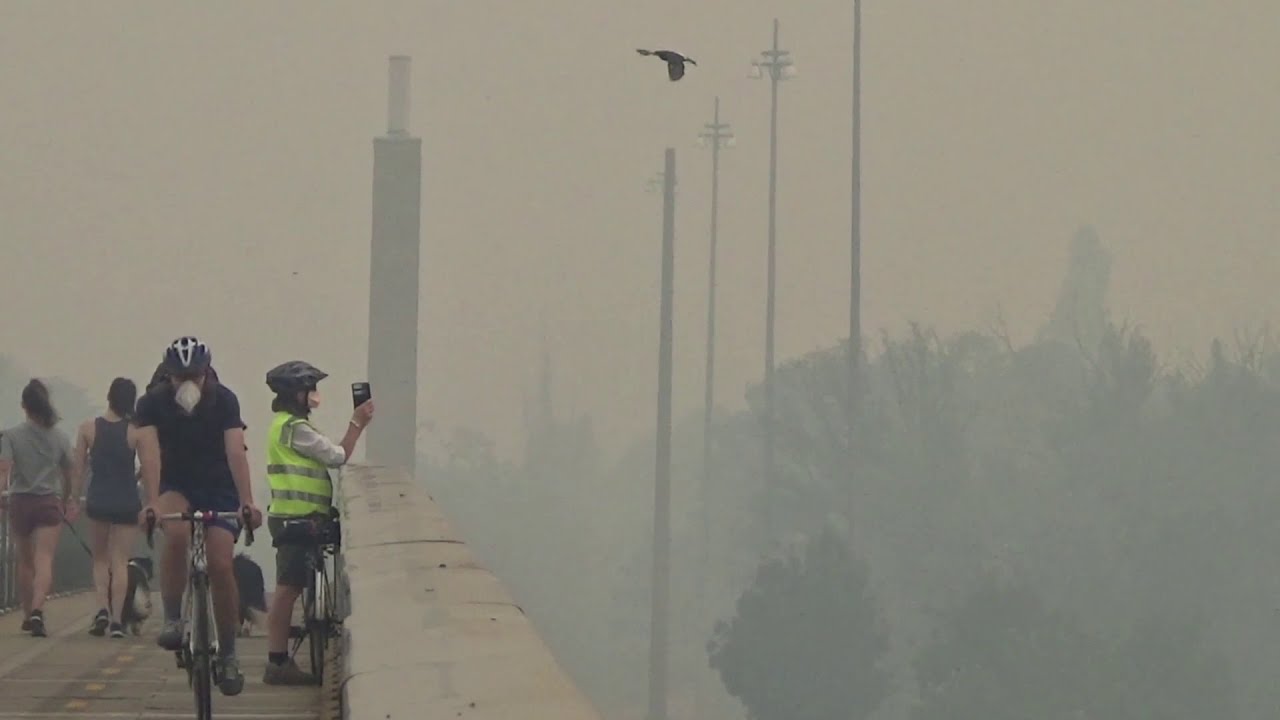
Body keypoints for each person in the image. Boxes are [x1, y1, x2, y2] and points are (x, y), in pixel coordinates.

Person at [134, 336, 262, 696]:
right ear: (168, 376)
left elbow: (236, 451)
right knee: (175, 533)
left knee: (221, 564)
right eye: (179, 376)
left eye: (195, 375)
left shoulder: (224, 401)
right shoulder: (152, 404)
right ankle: (173, 616)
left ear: (207, 373)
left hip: (219, 484)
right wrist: (153, 503)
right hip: (176, 483)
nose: (187, 383)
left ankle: (229, 655)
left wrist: (248, 502)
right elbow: (150, 456)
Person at [261, 360, 373, 685]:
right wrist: (358, 422)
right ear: (297, 394)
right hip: (296, 518)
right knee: (287, 590)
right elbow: (338, 456)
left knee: (290, 587)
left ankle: (281, 656)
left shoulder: (285, 425)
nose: (314, 395)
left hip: (297, 516)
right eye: (310, 389)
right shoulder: (295, 428)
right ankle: (277, 661)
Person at [0, 379, 77, 637]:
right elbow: (69, 473)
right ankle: (37, 609)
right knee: (44, 559)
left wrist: (2, 493)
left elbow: (4, 468)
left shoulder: (10, 435)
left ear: (24, 405)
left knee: (24, 561)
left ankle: (25, 613)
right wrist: (66, 500)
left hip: (20, 501)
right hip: (48, 502)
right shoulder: (60, 437)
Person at [71, 377, 142, 638]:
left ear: (109, 396)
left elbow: (78, 469)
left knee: (100, 557)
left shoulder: (88, 429)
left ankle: (101, 607)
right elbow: (151, 462)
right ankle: (116, 620)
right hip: (126, 499)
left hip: (98, 498)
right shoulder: (136, 431)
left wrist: (73, 499)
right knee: (120, 560)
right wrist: (135, 479)